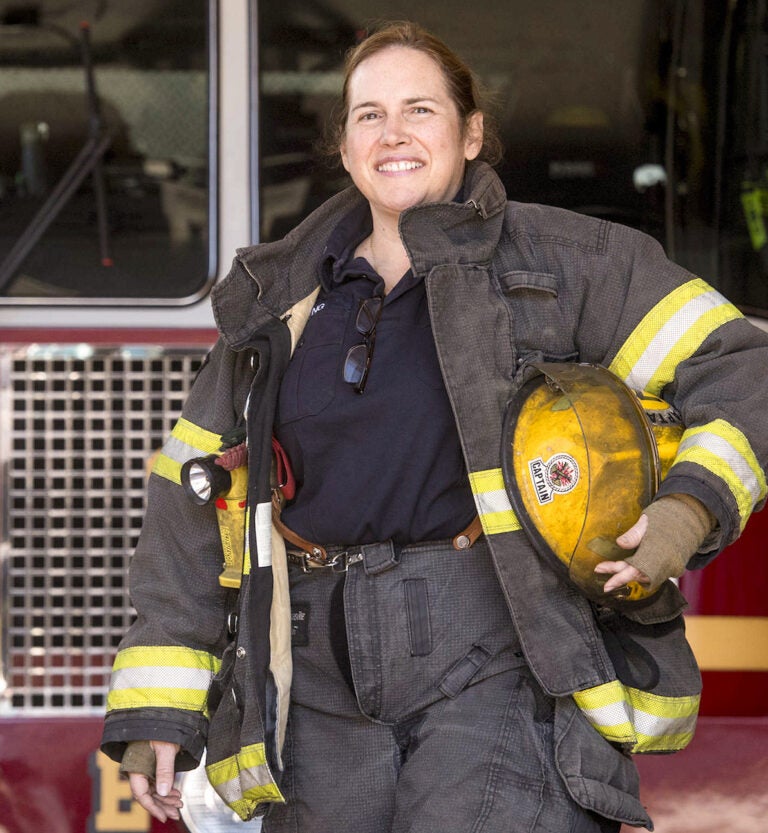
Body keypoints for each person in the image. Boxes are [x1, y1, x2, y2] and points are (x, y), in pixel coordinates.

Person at [101, 20, 768, 833]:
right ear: (344, 147)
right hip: (311, 683)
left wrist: (690, 506)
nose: (393, 134)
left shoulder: (570, 263)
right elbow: (190, 504)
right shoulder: (276, 301)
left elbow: (742, 365)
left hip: (492, 660)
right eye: (368, 115)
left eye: (420, 109)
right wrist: (159, 714)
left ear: (471, 132)